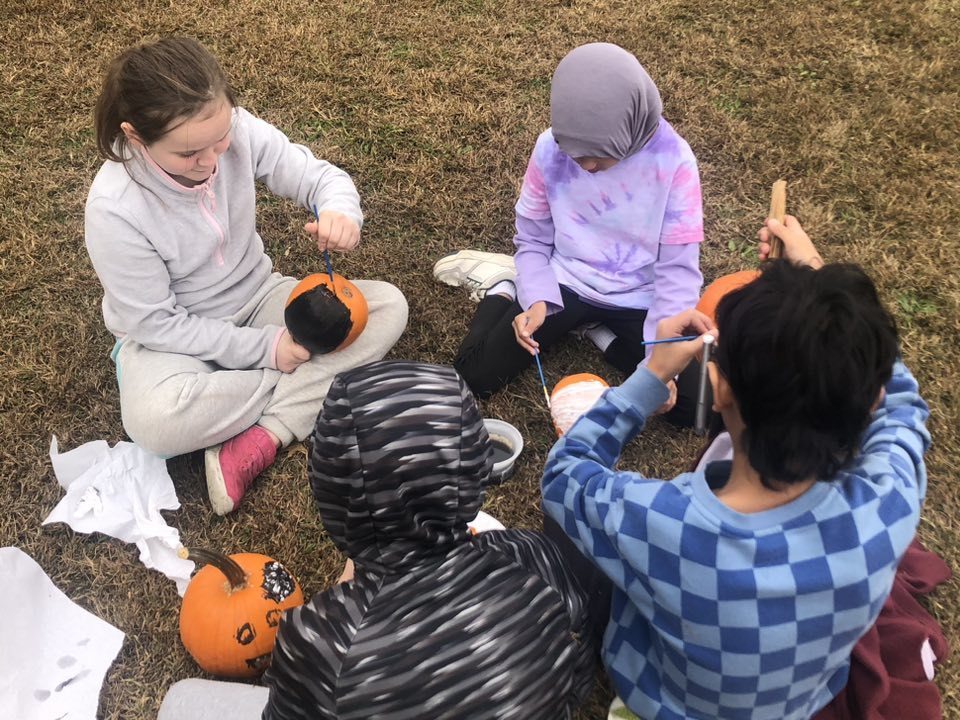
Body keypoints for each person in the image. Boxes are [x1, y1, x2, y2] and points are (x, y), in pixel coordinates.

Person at [541, 216, 930, 719]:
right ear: (871, 397)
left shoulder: (658, 521)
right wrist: (818, 283)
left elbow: (564, 473)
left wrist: (652, 373)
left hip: (663, 701)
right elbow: (904, 406)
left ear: (719, 388)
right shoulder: (885, 508)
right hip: (800, 703)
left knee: (565, 530)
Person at [157, 360, 597, 720]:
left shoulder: (321, 639)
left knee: (184, 703)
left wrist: (349, 594)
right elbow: (572, 673)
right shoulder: (529, 558)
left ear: (329, 495)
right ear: (473, 474)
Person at [84, 37, 407, 514]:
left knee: (385, 307)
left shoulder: (239, 130)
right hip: (171, 344)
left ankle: (264, 435)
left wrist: (341, 212)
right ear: (135, 136)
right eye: (189, 153)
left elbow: (320, 178)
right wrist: (268, 352)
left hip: (259, 297)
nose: (212, 160)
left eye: (220, 140)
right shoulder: (114, 208)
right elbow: (154, 324)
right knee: (155, 424)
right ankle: (308, 386)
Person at [433, 42, 704, 425]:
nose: (587, 165)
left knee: (693, 409)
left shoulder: (674, 162)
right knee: (476, 376)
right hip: (565, 283)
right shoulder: (550, 149)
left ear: (628, 128)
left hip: (639, 296)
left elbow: (678, 273)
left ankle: (599, 333)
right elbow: (532, 240)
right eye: (577, 155)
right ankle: (502, 286)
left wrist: (660, 361)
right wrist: (536, 299)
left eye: (599, 155)